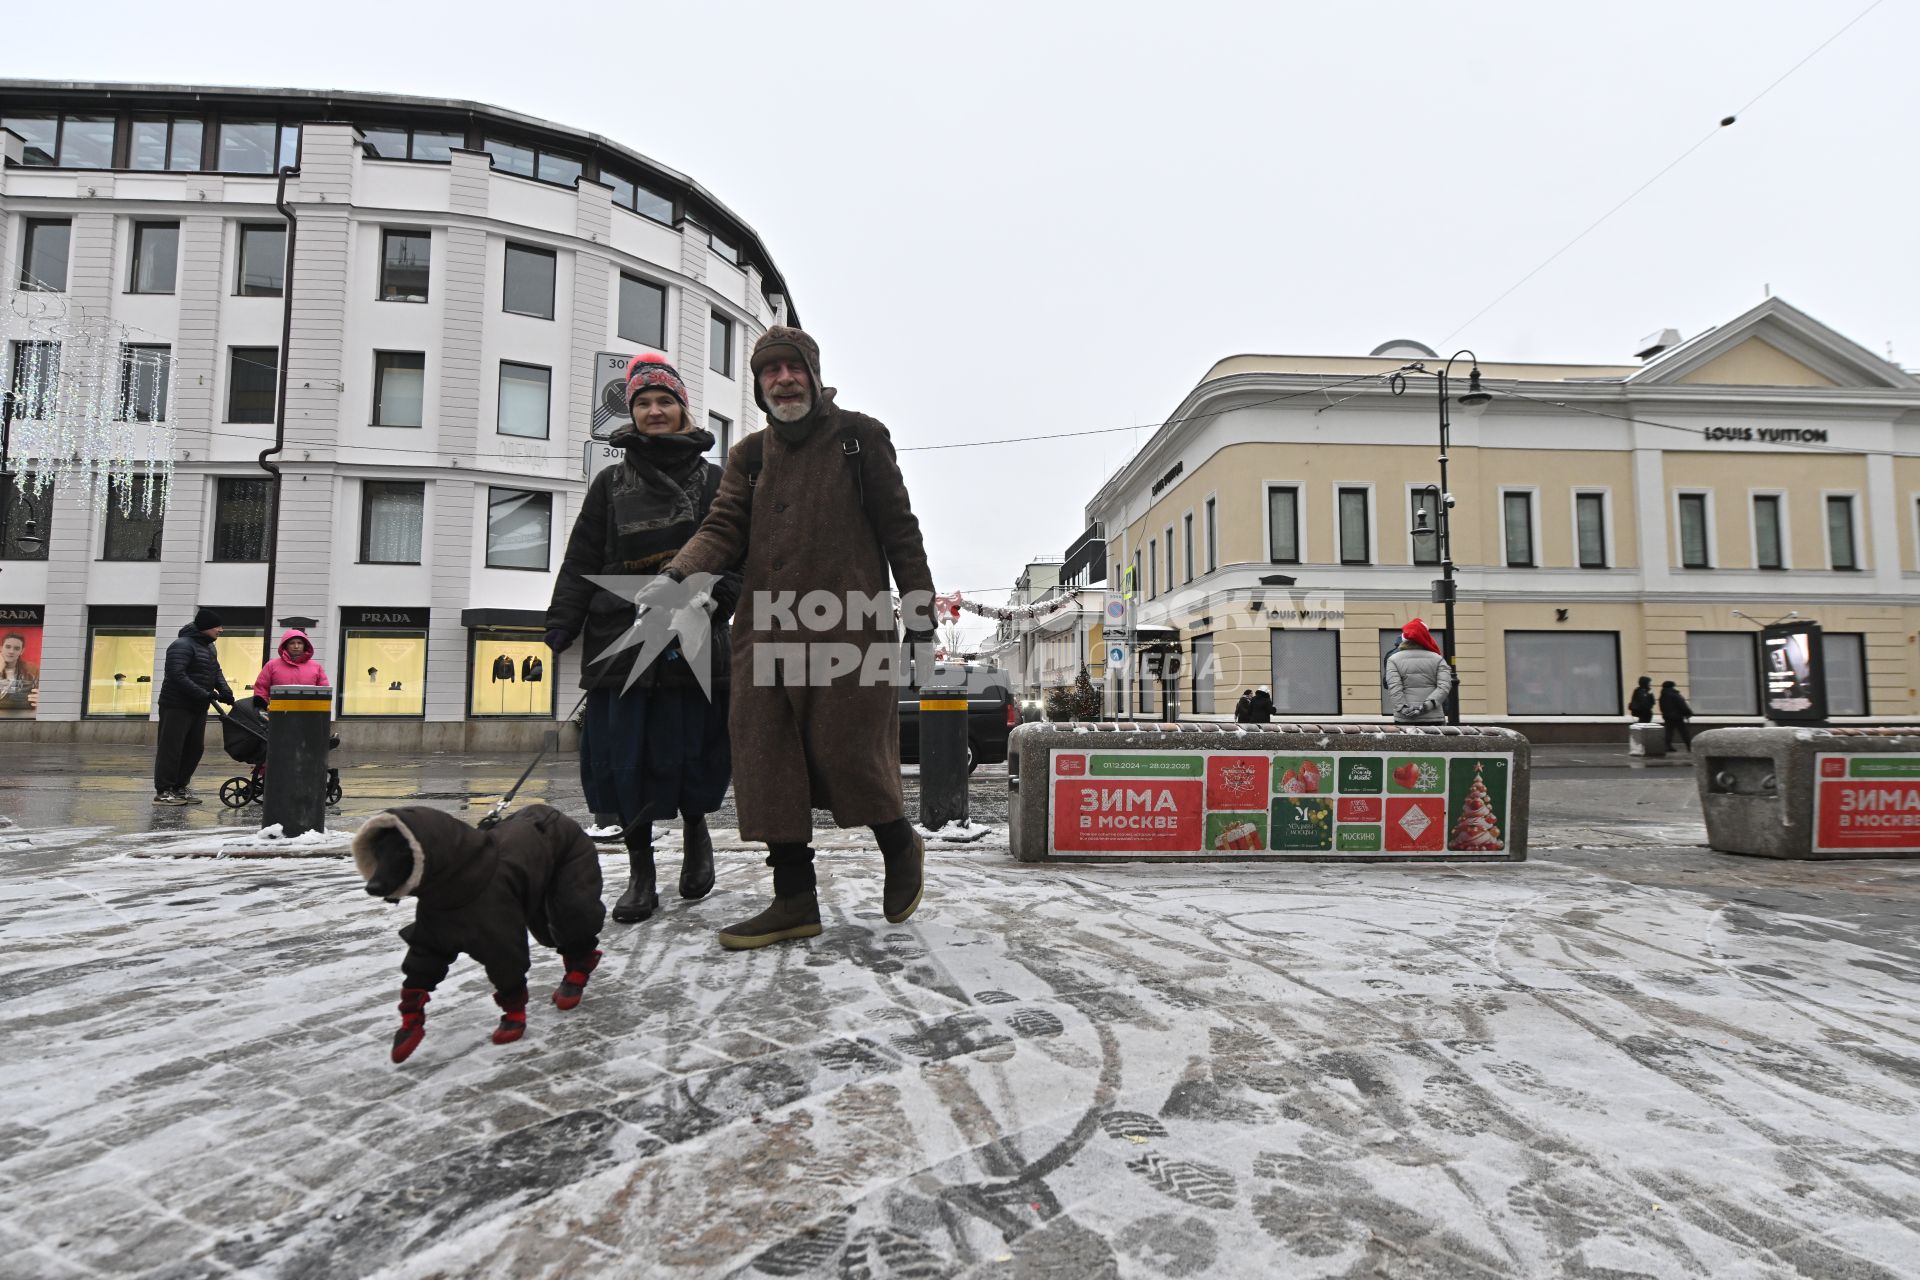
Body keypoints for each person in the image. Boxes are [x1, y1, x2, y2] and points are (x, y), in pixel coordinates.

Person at [663, 325, 938, 951]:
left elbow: (901, 529)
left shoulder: (857, 438)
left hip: (851, 625)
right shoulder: (750, 455)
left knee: (850, 752)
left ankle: (899, 842)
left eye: (793, 368)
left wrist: (918, 611)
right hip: (762, 630)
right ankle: (793, 901)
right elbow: (724, 524)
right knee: (767, 759)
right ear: (759, 386)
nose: (783, 380)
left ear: (813, 375)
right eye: (770, 372)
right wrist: (679, 576)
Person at [545, 354, 738, 925]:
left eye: (664, 401)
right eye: (643, 403)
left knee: (691, 753)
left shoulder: (714, 481)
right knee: (624, 760)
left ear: (683, 409)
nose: (654, 411)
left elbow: (737, 556)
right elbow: (582, 557)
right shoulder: (609, 482)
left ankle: (697, 834)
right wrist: (564, 619)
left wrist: (715, 598)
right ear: (632, 412)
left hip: (694, 637)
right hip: (620, 635)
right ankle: (640, 870)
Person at [155, 607, 235, 805]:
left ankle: (180, 787)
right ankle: (164, 791)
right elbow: (177, 675)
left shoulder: (209, 647)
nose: (221, 630)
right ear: (206, 627)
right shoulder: (181, 645)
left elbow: (216, 671)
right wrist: (205, 694)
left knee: (194, 749)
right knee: (171, 748)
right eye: (217, 626)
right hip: (176, 705)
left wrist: (225, 691)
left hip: (197, 706)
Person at [1385, 618, 1454, 724]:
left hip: (1405, 717)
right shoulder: (1438, 659)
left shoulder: (1394, 659)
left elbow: (1394, 688)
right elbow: (1444, 686)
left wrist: (1403, 708)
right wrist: (1426, 706)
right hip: (1433, 716)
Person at [252, 628, 330, 707]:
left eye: (299, 643)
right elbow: (261, 688)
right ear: (285, 646)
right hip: (279, 713)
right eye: (292, 643)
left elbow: (324, 692)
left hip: (308, 713)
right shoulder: (272, 665)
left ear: (305, 646)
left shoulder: (316, 667)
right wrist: (263, 707)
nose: (296, 646)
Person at [0, 632, 38, 715]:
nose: (11, 651)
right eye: (7, 647)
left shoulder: (32, 670)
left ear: (22, 651)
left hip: (24, 715)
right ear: (1, 648)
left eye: (16, 648)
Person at [1659, 680, 1695, 751]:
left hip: (1667, 717)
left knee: (1669, 732)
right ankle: (1689, 747)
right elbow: (1682, 705)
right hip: (1677, 717)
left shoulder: (1662, 696)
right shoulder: (1675, 695)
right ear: (1672, 686)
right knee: (1684, 732)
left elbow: (1661, 707)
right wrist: (1688, 713)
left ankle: (1668, 747)